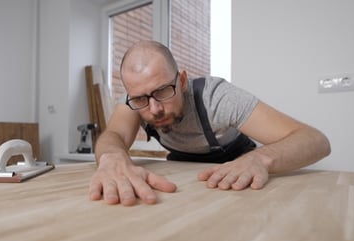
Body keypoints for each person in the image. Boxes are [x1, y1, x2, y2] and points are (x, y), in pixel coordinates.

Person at [89, 40, 331, 206]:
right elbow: (114, 136)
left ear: (182, 81)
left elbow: (315, 140)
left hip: (239, 176)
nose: (154, 109)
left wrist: (260, 159)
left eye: (163, 91)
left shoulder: (217, 97)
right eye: (141, 98)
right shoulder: (136, 101)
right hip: (187, 179)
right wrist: (111, 156)